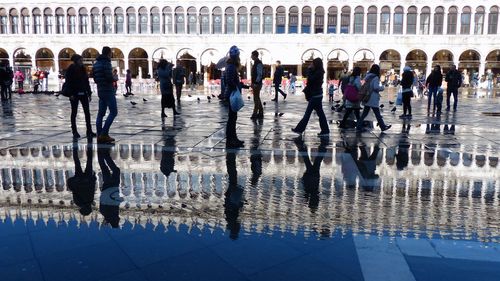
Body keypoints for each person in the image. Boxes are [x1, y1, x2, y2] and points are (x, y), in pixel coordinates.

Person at [291, 58, 329, 137]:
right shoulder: (319, 72)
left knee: (307, 114)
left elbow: (311, 80)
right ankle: (325, 130)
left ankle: (299, 129)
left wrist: (309, 70)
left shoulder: (318, 73)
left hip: (315, 95)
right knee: (320, 114)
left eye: (313, 63)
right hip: (317, 95)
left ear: (316, 64)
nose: (311, 65)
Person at [65, 54, 95, 139]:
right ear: (76, 61)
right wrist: (70, 94)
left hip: (83, 93)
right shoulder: (70, 69)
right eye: (80, 60)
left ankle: (89, 130)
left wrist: (89, 93)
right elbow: (68, 82)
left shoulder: (83, 69)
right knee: (74, 112)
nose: (82, 62)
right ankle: (74, 131)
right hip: (74, 93)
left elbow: (86, 81)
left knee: (87, 112)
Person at [356, 64, 391, 132]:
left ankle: (358, 126)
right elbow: (375, 87)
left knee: (364, 114)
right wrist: (382, 88)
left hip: (367, 97)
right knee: (377, 114)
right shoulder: (375, 77)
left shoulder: (368, 77)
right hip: (373, 98)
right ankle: (383, 127)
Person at [93, 46, 117, 144]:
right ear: (108, 53)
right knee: (113, 112)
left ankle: (99, 135)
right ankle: (104, 133)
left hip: (100, 90)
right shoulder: (106, 63)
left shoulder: (96, 64)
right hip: (108, 90)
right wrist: (115, 78)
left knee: (101, 113)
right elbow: (109, 78)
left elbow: (94, 78)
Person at [224, 45, 247, 148]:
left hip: (231, 93)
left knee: (233, 117)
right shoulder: (231, 66)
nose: (238, 57)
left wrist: (242, 85)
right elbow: (229, 81)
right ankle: (230, 140)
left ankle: (234, 138)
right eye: (238, 55)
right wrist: (236, 86)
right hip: (231, 94)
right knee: (232, 118)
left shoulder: (232, 66)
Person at [67, 141, 96, 216]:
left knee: (89, 161)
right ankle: (75, 145)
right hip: (79, 180)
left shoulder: (90, 201)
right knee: (77, 162)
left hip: (88, 179)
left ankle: (90, 143)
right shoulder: (78, 203)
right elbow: (74, 191)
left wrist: (94, 178)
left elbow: (92, 188)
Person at [97, 145, 122, 228]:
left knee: (116, 170)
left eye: (118, 221)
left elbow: (115, 202)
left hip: (113, 188)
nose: (119, 219)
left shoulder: (114, 213)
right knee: (105, 169)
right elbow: (101, 200)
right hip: (106, 188)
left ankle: (105, 154)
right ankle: (101, 154)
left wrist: (121, 199)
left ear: (115, 220)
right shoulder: (103, 212)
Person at [250, 50, 264, 120]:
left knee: (256, 99)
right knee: (257, 97)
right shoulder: (256, 63)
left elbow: (259, 74)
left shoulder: (258, 63)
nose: (251, 57)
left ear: (255, 56)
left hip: (257, 84)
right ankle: (261, 112)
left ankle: (255, 114)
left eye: (252, 55)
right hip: (256, 83)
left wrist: (255, 83)